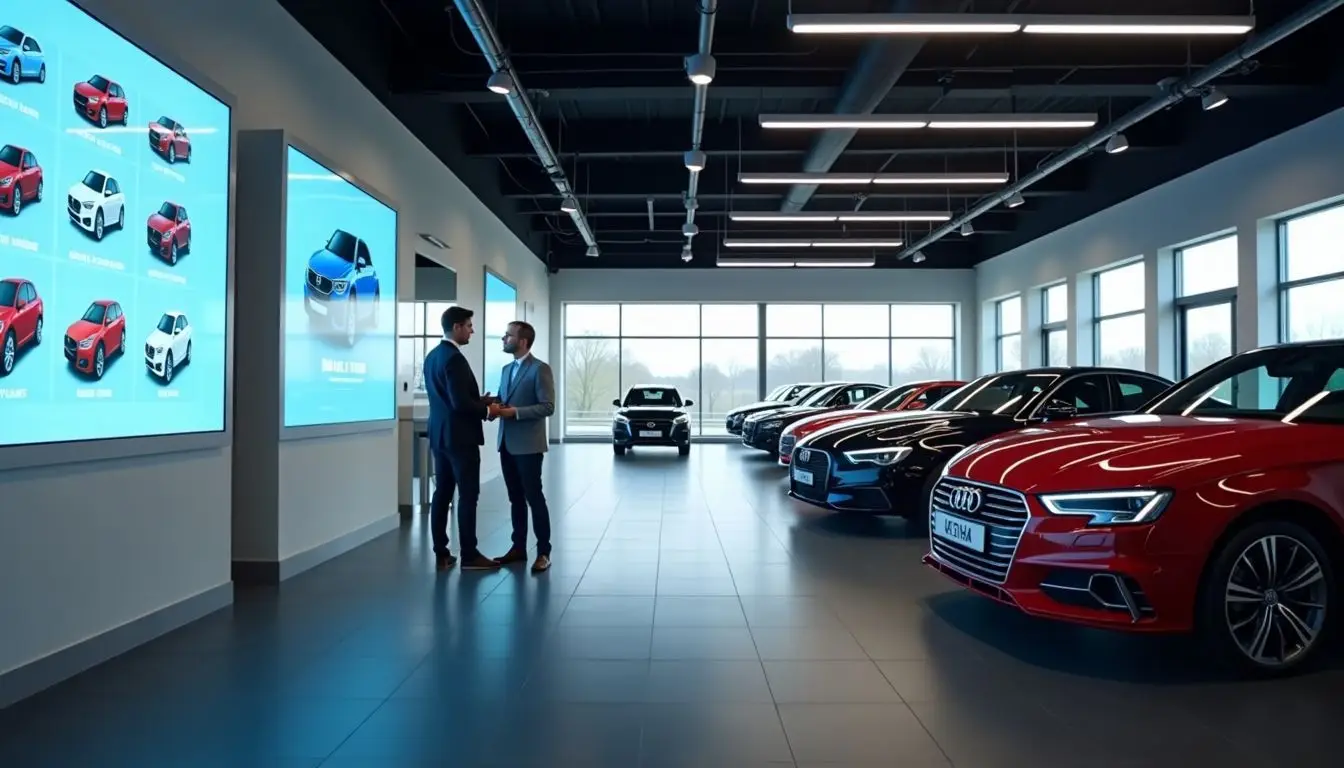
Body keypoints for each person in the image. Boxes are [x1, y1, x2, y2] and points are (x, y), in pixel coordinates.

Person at [423, 306, 501, 571]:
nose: (472, 330)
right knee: (468, 495)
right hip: (460, 439)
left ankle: (441, 553)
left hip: (440, 436)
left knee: (442, 494)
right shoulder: (454, 358)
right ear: (456, 327)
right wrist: (489, 410)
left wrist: (479, 400)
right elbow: (458, 404)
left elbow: (448, 400)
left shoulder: (433, 356)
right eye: (469, 325)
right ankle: (469, 554)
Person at [488, 321, 556, 572]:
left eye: (508, 336)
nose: (504, 339)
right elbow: (503, 399)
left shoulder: (540, 369)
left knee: (533, 498)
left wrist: (515, 412)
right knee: (515, 498)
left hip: (528, 446)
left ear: (523, 341)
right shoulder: (506, 369)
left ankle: (544, 552)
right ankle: (518, 548)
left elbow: (548, 406)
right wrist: (492, 406)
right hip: (506, 443)